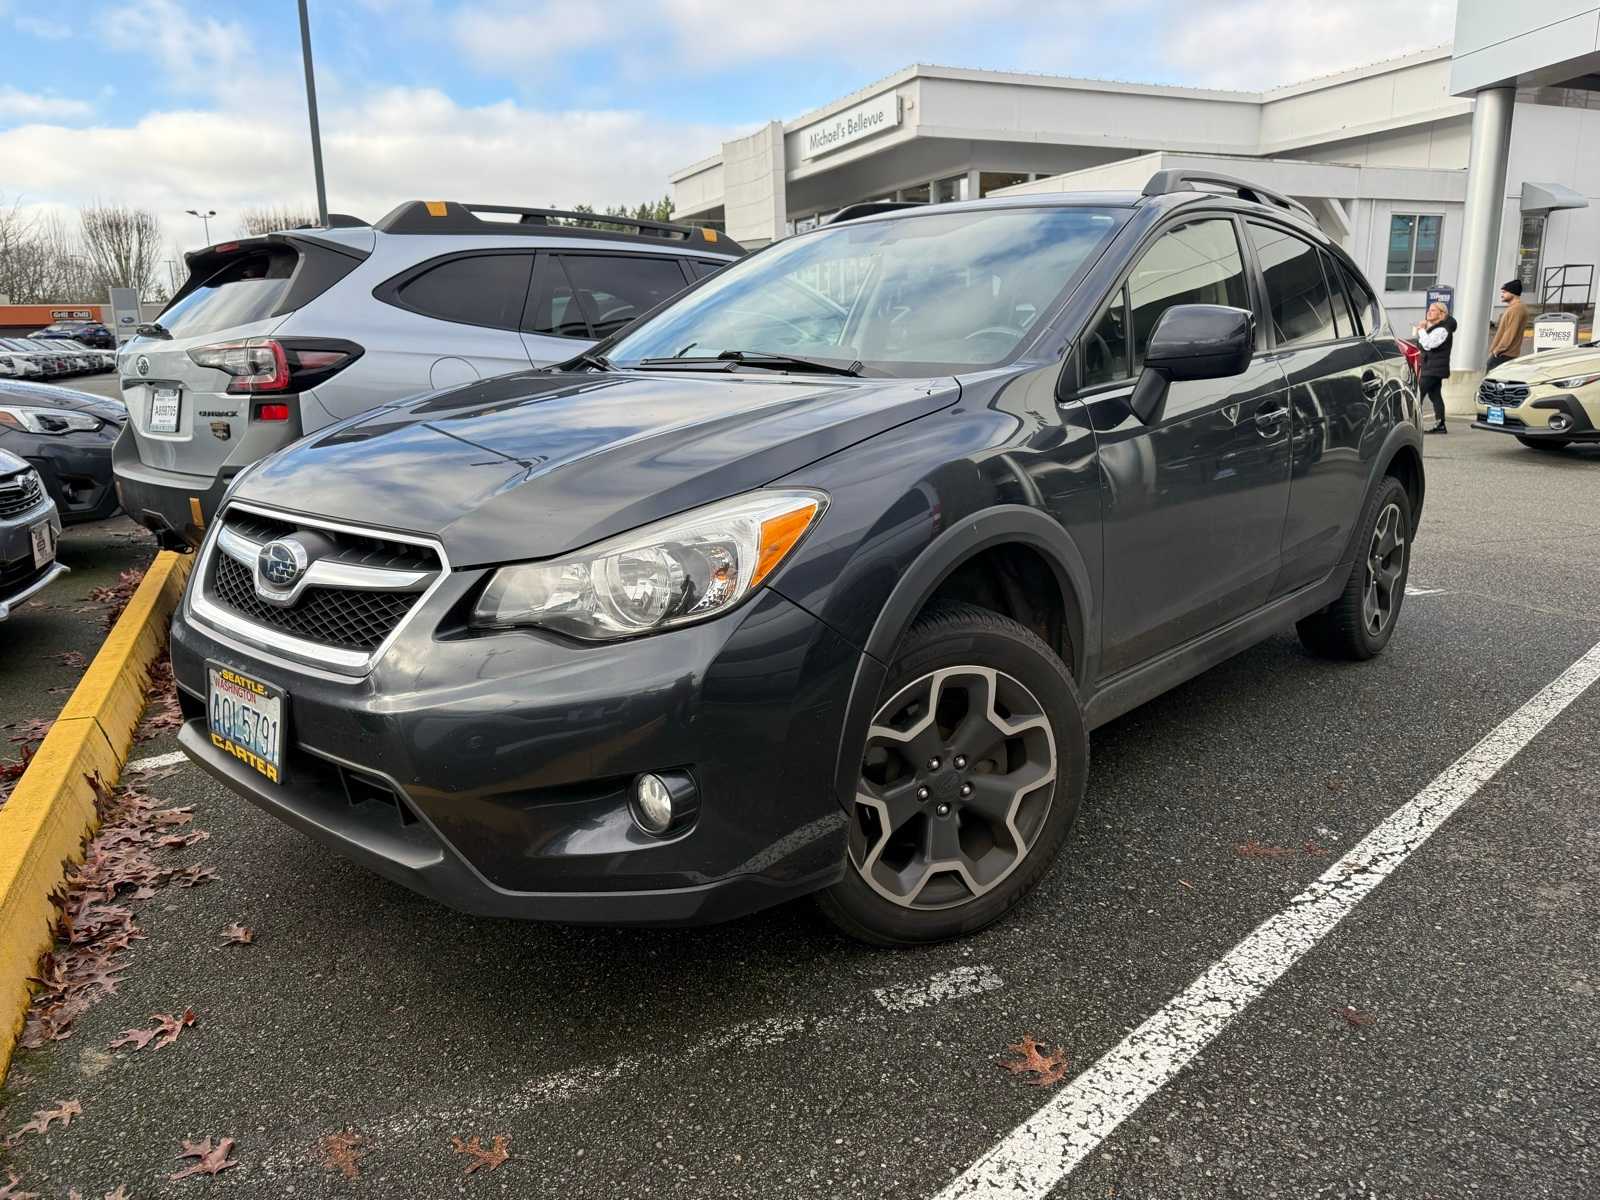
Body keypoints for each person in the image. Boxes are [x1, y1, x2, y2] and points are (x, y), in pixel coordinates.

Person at [1413, 301, 1455, 434]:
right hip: (1431, 367)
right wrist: (1422, 330)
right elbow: (1425, 345)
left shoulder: (1443, 329)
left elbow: (1429, 344)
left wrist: (1421, 330)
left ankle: (1412, 423)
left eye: (1433, 310)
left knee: (1417, 394)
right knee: (1435, 395)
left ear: (1441, 314)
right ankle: (1440, 424)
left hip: (1433, 369)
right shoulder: (1437, 328)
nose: (1429, 312)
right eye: (1429, 309)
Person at [1486, 279, 1529, 371]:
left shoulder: (1516, 309)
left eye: (1504, 292)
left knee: (1489, 382)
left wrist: (1497, 351)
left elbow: (1510, 333)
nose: (1502, 295)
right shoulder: (1513, 308)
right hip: (1503, 354)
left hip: (1504, 355)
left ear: (1512, 293)